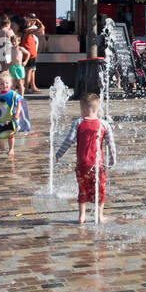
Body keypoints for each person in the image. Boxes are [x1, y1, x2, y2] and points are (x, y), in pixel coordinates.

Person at [54, 93, 117, 224]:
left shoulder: (78, 123)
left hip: (82, 164)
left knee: (82, 189)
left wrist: (58, 154)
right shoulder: (103, 124)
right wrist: (112, 160)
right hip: (98, 165)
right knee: (100, 189)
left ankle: (81, 217)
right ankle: (99, 216)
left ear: (83, 110)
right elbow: (111, 144)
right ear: (97, 109)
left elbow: (68, 141)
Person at [21, 17, 44, 93]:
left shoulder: (25, 31)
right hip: (30, 54)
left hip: (28, 54)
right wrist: (38, 21)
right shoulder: (28, 31)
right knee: (29, 71)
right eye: (29, 22)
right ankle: (26, 88)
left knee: (29, 71)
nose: (31, 23)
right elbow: (42, 28)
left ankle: (26, 87)